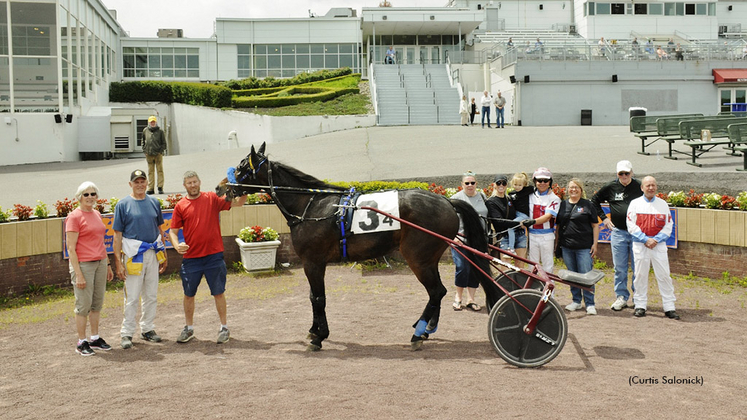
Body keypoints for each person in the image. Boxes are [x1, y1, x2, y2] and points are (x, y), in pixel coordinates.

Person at [169, 171, 248, 344]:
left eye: (195, 182)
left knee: (218, 293)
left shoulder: (212, 198)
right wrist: (176, 245)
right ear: (184, 186)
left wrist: (243, 188)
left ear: (200, 182)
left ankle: (224, 327)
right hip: (191, 258)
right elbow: (172, 232)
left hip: (213, 256)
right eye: (189, 183)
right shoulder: (181, 206)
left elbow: (239, 203)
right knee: (188, 294)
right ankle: (189, 329)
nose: (193, 185)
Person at [113, 169, 168, 349]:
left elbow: (160, 229)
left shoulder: (154, 202)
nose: (140, 185)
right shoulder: (123, 205)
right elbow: (117, 235)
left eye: (143, 181)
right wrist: (118, 262)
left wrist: (164, 254)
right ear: (131, 184)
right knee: (132, 296)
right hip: (133, 256)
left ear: (147, 183)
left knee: (151, 294)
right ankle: (127, 333)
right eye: (136, 182)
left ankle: (147, 328)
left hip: (152, 253)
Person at [66, 181, 114, 355]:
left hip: (100, 262)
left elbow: (100, 242)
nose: (90, 197)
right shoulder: (74, 217)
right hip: (84, 265)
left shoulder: (96, 214)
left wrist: (107, 264)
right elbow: (71, 248)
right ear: (79, 197)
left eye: (93, 194)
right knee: (83, 305)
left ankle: (94, 338)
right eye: (86, 194)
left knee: (96, 303)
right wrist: (78, 274)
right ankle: (81, 341)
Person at [590, 160, 642, 311]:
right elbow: (594, 201)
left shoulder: (639, 186)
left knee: (638, 267)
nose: (624, 176)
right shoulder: (611, 187)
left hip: (636, 233)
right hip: (618, 232)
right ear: (617, 174)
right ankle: (621, 296)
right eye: (621, 173)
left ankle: (638, 297)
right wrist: (604, 218)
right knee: (619, 267)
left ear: (632, 172)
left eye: (627, 173)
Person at [626, 176, 680, 320]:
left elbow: (669, 225)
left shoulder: (663, 204)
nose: (651, 188)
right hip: (640, 244)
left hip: (658, 246)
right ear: (642, 188)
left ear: (656, 187)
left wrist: (656, 240)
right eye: (648, 185)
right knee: (640, 275)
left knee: (663, 275)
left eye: (653, 185)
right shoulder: (635, 204)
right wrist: (645, 239)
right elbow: (631, 224)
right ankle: (640, 305)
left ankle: (669, 307)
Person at [556, 179, 599, 315]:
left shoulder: (587, 205)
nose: (573, 190)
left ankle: (590, 303)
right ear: (567, 190)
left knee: (586, 275)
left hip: (584, 247)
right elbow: (558, 226)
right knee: (571, 275)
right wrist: (557, 244)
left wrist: (595, 244)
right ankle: (576, 301)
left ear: (581, 190)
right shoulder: (562, 205)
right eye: (571, 187)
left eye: (576, 187)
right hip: (567, 246)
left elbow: (595, 225)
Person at [451, 171, 488, 312]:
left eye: (472, 183)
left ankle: (471, 299)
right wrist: (453, 236)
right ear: (462, 185)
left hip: (478, 241)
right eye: (467, 183)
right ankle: (458, 297)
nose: (470, 185)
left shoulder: (482, 197)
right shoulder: (455, 199)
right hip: (460, 239)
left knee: (475, 269)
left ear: (476, 184)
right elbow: (448, 220)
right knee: (462, 267)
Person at [486, 174, 532, 262]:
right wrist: (520, 223)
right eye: (498, 183)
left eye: (504, 183)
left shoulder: (510, 198)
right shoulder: (491, 202)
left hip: (520, 235)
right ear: (494, 185)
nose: (501, 185)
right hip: (505, 236)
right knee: (506, 269)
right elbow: (499, 221)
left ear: (507, 185)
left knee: (520, 268)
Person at [527, 167, 560, 274]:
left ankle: (549, 291)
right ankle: (533, 290)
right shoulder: (530, 195)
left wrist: (532, 222)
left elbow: (548, 216)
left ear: (550, 182)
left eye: (545, 181)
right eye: (539, 180)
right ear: (535, 181)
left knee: (547, 267)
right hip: (532, 236)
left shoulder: (554, 198)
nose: (542, 183)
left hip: (547, 237)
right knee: (532, 266)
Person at [508, 172, 534, 267]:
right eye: (515, 184)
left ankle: (511, 248)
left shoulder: (528, 191)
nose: (517, 187)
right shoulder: (511, 194)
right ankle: (512, 247)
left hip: (524, 215)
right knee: (512, 227)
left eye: (520, 185)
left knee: (510, 227)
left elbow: (534, 188)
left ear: (524, 185)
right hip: (517, 214)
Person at [142, 115, 167, 195]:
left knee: (160, 170)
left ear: (156, 122)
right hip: (149, 154)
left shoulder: (160, 131)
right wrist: (144, 150)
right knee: (150, 171)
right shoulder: (145, 130)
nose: (152, 123)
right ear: (149, 122)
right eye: (151, 122)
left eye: (154, 122)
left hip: (158, 154)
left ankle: (160, 187)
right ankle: (151, 188)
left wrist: (160, 151)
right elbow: (143, 140)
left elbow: (164, 143)